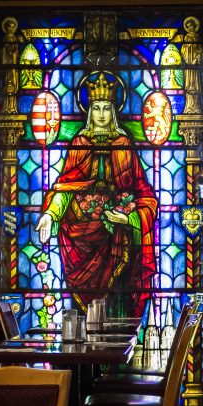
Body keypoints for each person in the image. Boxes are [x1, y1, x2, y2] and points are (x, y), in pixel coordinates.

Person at [36, 73, 157, 318]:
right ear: (90, 111)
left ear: (113, 111)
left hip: (118, 241)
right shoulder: (79, 142)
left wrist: (130, 219)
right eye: (96, 108)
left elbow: (144, 195)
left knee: (116, 308)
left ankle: (119, 355)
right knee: (81, 317)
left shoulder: (124, 144)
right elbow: (66, 187)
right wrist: (50, 214)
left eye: (106, 108)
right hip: (81, 239)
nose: (101, 114)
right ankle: (80, 356)